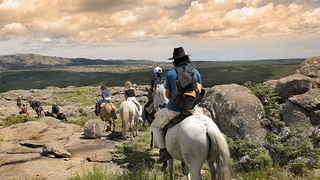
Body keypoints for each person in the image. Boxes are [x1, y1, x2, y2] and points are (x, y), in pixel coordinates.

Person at [151, 47, 203, 163]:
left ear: (175, 60)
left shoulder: (171, 74)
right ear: (186, 58)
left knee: (155, 126)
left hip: (174, 110)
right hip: (192, 109)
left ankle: (163, 152)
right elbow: (200, 91)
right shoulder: (195, 72)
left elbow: (168, 95)